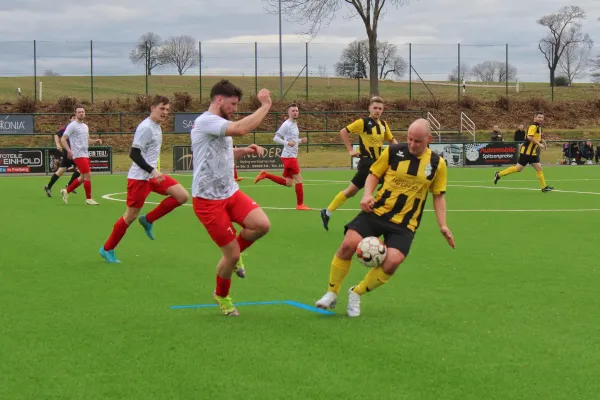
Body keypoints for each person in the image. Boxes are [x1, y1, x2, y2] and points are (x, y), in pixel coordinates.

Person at [315, 118, 455, 317]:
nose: (413, 144)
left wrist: (443, 225)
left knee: (393, 261)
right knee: (348, 244)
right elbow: (373, 174)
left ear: (429, 139)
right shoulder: (393, 152)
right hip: (377, 212)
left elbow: (439, 195)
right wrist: (367, 194)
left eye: (418, 141)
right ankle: (331, 292)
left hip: (406, 223)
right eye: (410, 139)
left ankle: (356, 293)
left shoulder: (437, 164)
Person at [191, 79, 272, 316]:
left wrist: (243, 151)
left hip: (230, 192)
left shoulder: (219, 123)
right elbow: (241, 128)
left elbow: (221, 153)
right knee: (232, 254)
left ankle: (235, 256)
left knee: (261, 225)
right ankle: (222, 296)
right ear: (219, 100)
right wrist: (265, 105)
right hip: (208, 201)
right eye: (233, 104)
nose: (235, 109)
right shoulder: (207, 120)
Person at [99, 96, 189, 263]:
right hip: (139, 179)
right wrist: (152, 170)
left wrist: (154, 172)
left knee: (182, 196)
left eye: (167, 110)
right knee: (130, 216)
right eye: (162, 109)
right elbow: (134, 153)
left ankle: (148, 220)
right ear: (152, 108)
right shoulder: (146, 127)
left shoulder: (157, 127)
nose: (165, 112)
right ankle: (107, 248)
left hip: (152, 177)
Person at [320, 96, 397, 231]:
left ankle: (327, 212)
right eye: (375, 108)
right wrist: (350, 150)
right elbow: (344, 131)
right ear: (369, 108)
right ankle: (371, 221)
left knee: (361, 191)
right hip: (367, 164)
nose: (377, 111)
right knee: (353, 192)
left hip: (379, 164)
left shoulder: (383, 125)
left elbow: (392, 140)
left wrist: (404, 152)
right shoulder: (363, 122)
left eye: (380, 109)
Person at [253, 103, 310, 210]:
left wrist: (300, 140)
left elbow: (292, 140)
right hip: (289, 157)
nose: (295, 112)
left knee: (288, 183)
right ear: (288, 112)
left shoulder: (294, 124)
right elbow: (276, 138)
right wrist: (287, 143)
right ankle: (300, 205)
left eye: (297, 111)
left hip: (290, 156)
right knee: (299, 180)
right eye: (293, 111)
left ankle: (266, 175)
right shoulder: (286, 124)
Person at [494, 112, 554, 192]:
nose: (540, 119)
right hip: (526, 152)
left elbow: (540, 137)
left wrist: (544, 144)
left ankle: (544, 187)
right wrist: (539, 144)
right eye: (539, 117)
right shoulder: (533, 126)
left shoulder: (539, 127)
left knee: (539, 168)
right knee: (518, 169)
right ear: (534, 118)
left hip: (532, 152)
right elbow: (529, 137)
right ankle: (499, 174)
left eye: (542, 117)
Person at [59, 106, 103, 205]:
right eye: (79, 112)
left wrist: (95, 141)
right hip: (78, 155)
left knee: (83, 177)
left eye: (83, 112)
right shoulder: (72, 125)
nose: (81, 113)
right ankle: (88, 199)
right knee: (88, 175)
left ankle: (66, 191)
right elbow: (63, 139)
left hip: (85, 154)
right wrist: (69, 150)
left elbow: (87, 140)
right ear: (75, 114)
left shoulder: (85, 126)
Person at [44, 114, 81, 197]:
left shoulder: (79, 127)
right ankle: (66, 185)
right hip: (68, 153)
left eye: (76, 118)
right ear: (70, 119)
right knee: (63, 171)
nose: (75, 119)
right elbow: (57, 135)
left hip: (76, 152)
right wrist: (58, 144)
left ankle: (50, 187)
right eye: (73, 118)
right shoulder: (68, 127)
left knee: (77, 170)